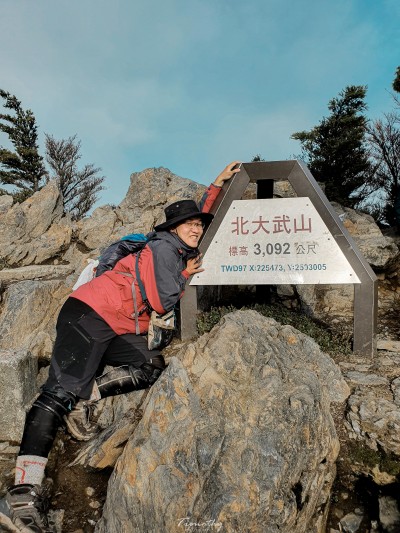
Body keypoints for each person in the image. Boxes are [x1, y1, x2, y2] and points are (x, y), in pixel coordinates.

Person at [5, 161, 241, 533]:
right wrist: (184, 276)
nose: (197, 228)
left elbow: (199, 220)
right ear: (173, 229)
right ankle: (22, 492)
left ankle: (84, 395)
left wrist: (216, 185)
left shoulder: (178, 245)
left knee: (150, 366)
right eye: (190, 224)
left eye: (199, 223)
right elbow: (162, 301)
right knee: (56, 393)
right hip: (89, 314)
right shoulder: (165, 250)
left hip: (117, 326)